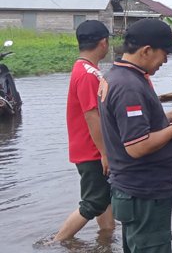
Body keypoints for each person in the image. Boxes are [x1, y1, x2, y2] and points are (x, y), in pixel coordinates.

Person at [98, 19, 172, 252]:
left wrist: (167, 117)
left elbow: (129, 126)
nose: (165, 61)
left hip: (134, 190)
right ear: (146, 51)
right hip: (143, 193)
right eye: (165, 54)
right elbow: (137, 146)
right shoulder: (129, 86)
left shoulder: (118, 76)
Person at [55, 20, 114, 241]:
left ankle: (106, 238)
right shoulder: (88, 74)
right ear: (103, 43)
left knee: (103, 198)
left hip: (89, 146)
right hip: (92, 150)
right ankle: (57, 242)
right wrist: (104, 152)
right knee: (93, 202)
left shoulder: (85, 69)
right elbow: (92, 115)